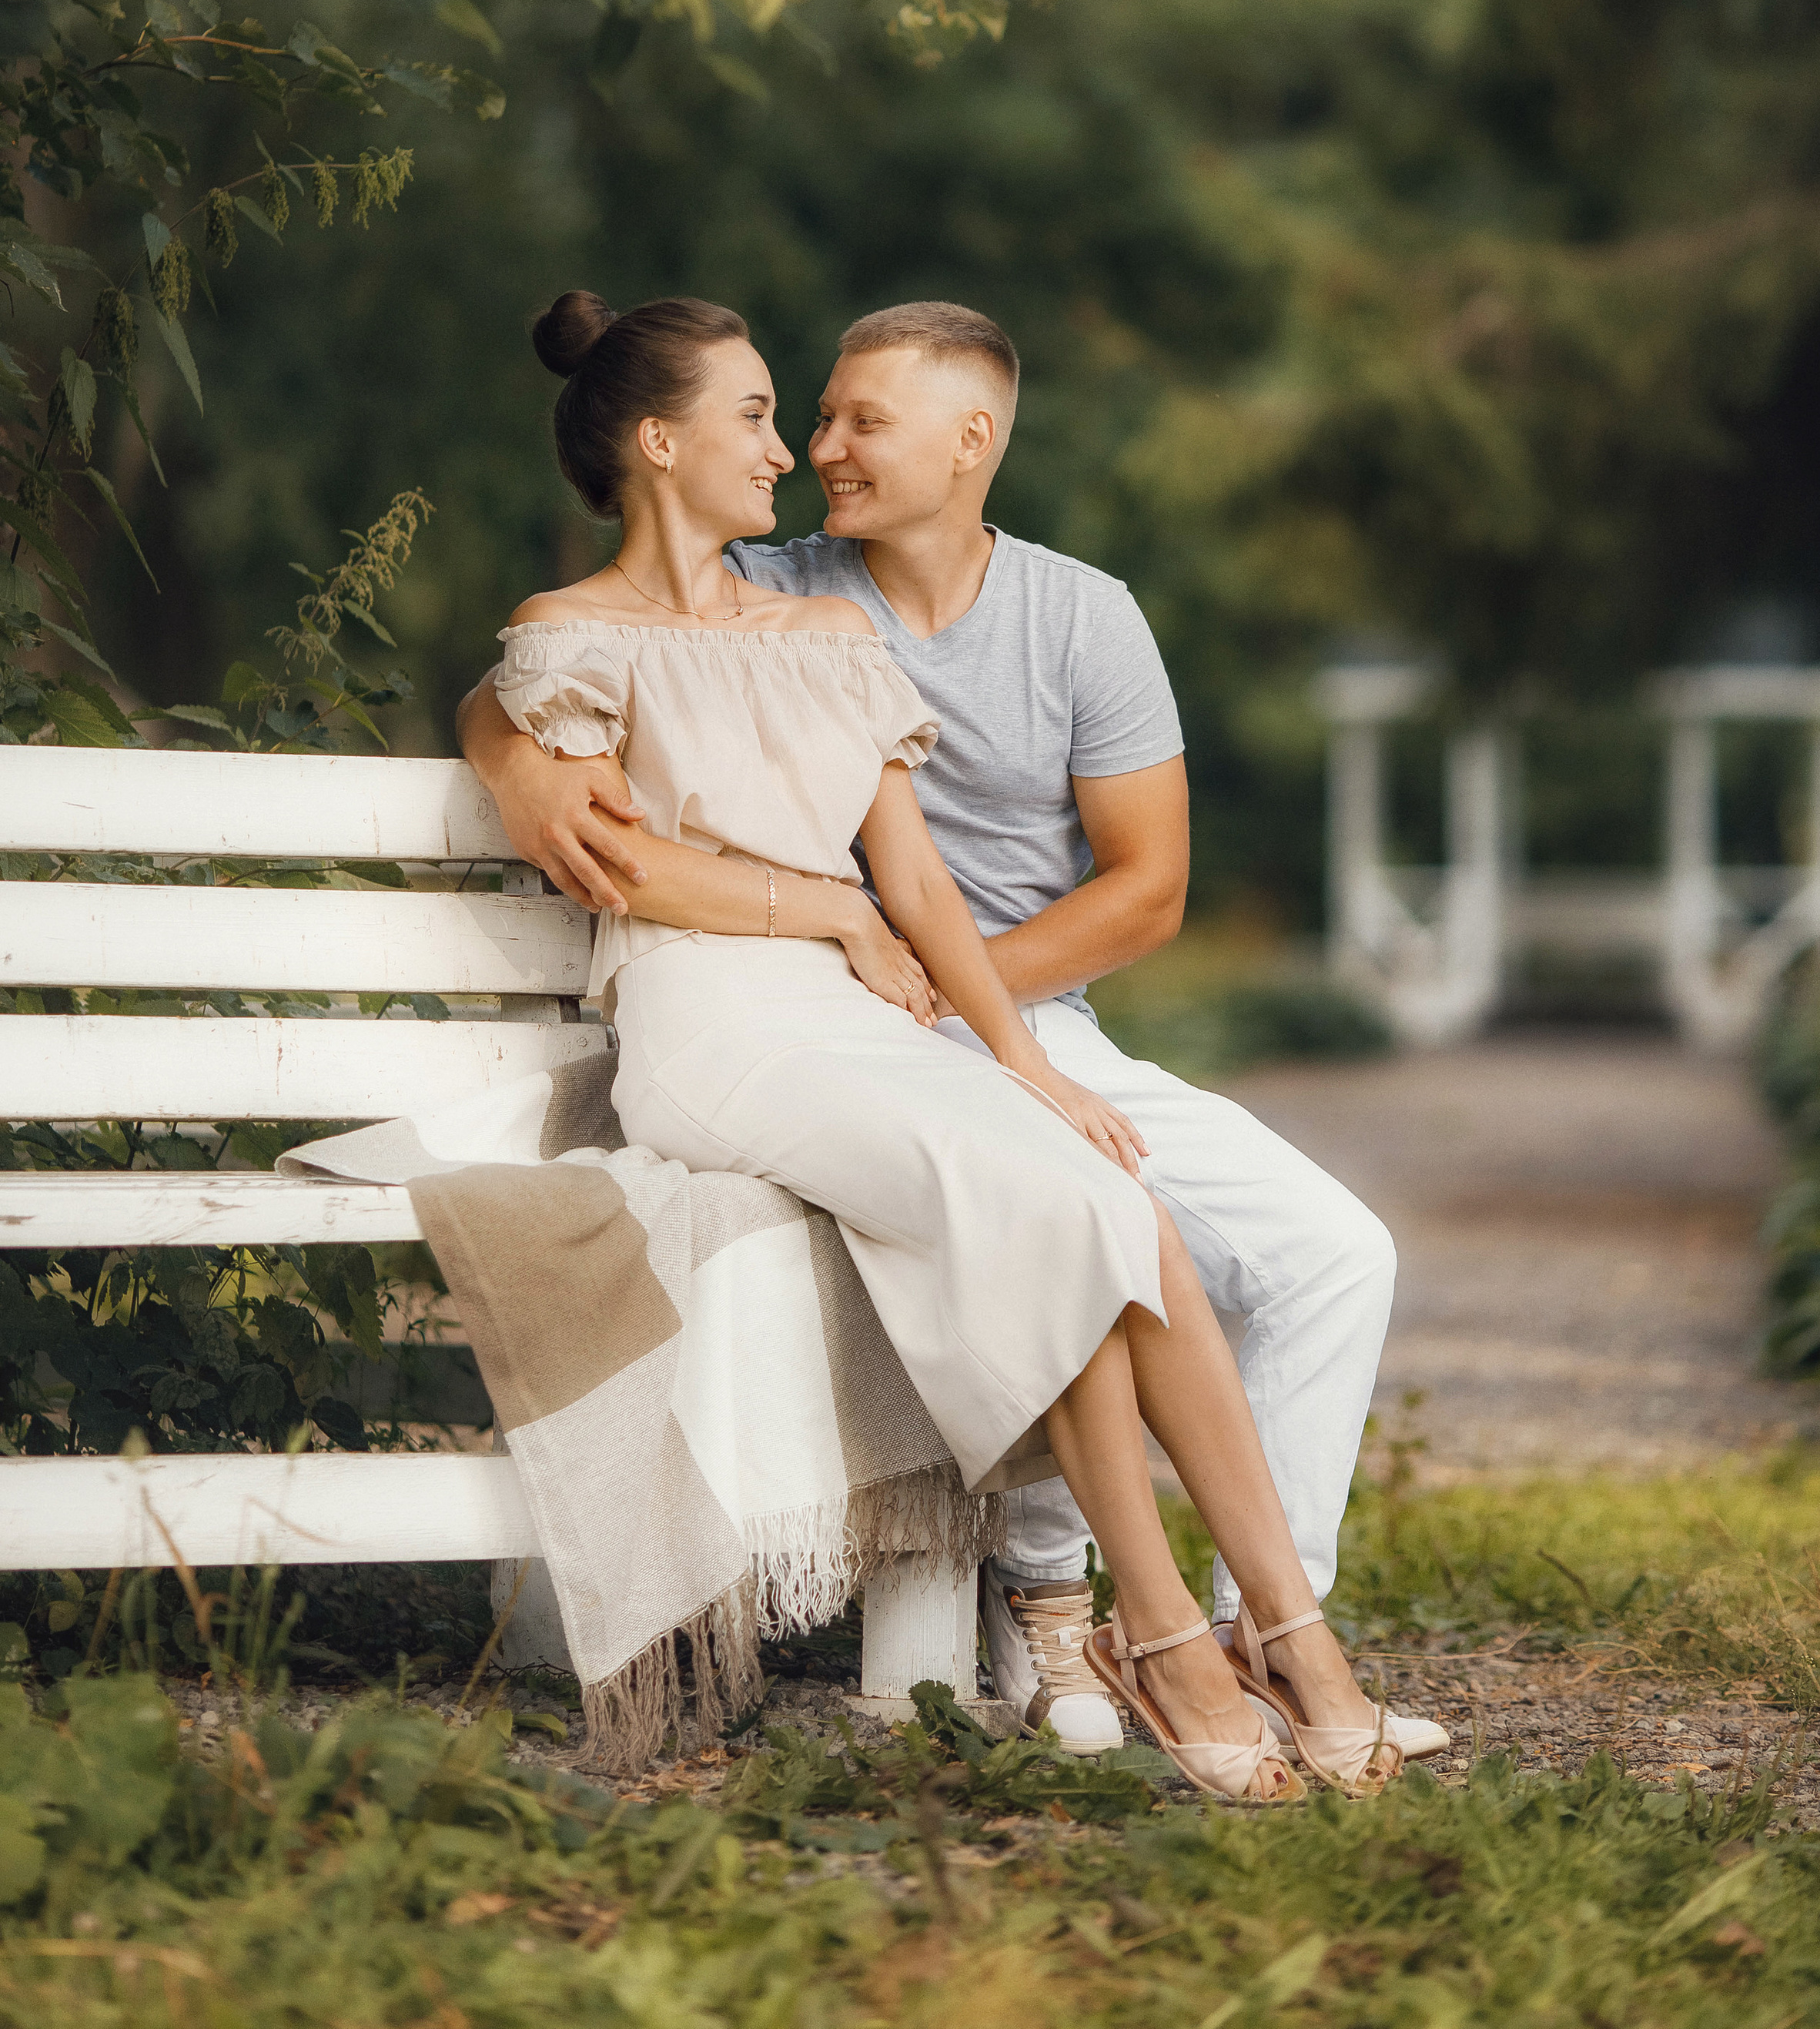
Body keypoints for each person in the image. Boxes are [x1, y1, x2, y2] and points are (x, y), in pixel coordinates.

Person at [460, 298, 1432, 1771]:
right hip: (723, 1024)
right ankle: (1120, 1621)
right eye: (771, 417)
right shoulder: (587, 626)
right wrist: (520, 753)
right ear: (660, 444)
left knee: (1110, 1198)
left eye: (837, 420)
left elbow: (921, 880)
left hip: (917, 1015)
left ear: (972, 441)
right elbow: (614, 819)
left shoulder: (830, 624)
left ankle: (1268, 1634)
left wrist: (1024, 1063)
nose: (800, 450)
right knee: (1055, 1202)